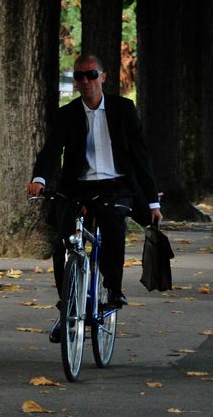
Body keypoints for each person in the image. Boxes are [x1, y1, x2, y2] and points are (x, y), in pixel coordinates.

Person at [27, 54, 162, 343]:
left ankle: (112, 290)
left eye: (91, 75)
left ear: (103, 76)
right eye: (79, 76)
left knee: (113, 227)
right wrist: (39, 178)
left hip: (116, 185)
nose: (85, 81)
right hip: (77, 187)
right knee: (64, 243)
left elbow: (140, 157)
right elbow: (51, 150)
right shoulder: (67, 114)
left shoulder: (123, 110)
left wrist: (152, 202)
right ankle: (67, 310)